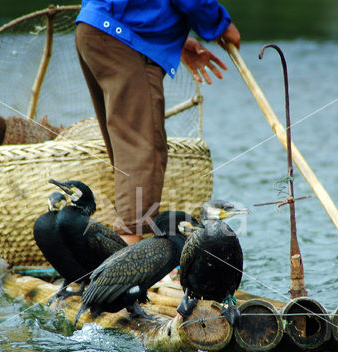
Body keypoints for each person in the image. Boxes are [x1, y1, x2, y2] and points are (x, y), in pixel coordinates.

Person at [75, 0, 241, 245]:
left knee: (126, 148)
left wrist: (174, 41)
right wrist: (219, 24)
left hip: (94, 29)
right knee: (143, 150)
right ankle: (130, 259)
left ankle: (127, 246)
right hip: (124, 36)